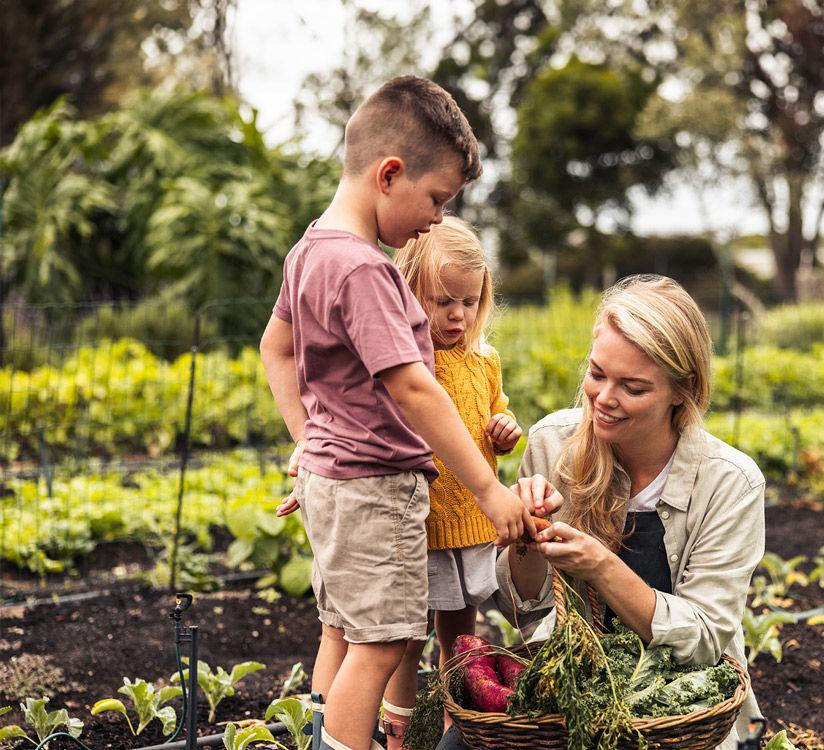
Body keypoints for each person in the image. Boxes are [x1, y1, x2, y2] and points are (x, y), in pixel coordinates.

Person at [260, 76, 535, 750]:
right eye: (436, 198)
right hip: (375, 490)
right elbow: (414, 390)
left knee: (341, 632)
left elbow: (276, 347)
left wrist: (309, 439)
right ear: (389, 174)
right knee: (381, 648)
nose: (437, 218)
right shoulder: (364, 271)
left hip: (332, 481)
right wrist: (487, 488)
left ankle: (320, 739)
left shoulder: (310, 251)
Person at [438, 274, 765, 750]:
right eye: (596, 374)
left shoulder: (731, 483)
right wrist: (529, 541)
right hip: (574, 691)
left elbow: (703, 641)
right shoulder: (553, 442)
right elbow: (523, 611)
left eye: (632, 387)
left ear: (682, 390)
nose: (604, 399)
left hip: (679, 710)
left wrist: (602, 567)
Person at [376, 216, 522, 748]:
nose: (457, 314)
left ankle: (455, 730)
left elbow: (494, 417)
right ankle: (401, 735)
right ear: (411, 290)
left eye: (468, 300)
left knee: (460, 637)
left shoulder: (485, 361)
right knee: (405, 642)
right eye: (442, 301)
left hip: (470, 525)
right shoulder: (411, 363)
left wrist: (505, 432)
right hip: (422, 522)